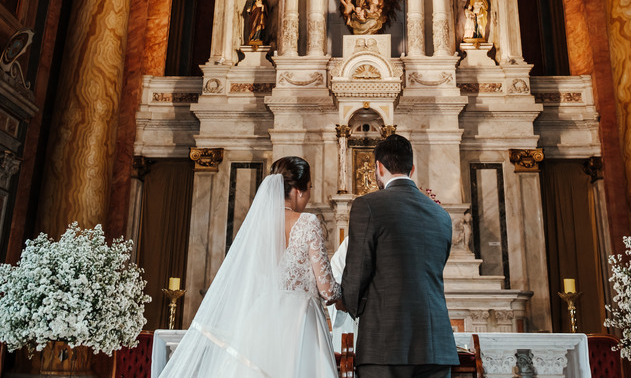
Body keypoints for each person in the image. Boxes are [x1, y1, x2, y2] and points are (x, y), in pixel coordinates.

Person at [159, 157, 340, 378]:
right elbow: (327, 289)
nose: (309, 194)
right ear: (298, 191)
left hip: (260, 319)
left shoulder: (256, 226)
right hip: (300, 322)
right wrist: (343, 293)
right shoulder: (309, 222)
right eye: (309, 187)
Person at [342, 134, 458, 378]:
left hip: (385, 341)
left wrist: (349, 305)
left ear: (379, 167)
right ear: (412, 168)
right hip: (435, 343)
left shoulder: (368, 205)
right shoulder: (441, 215)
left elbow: (357, 269)